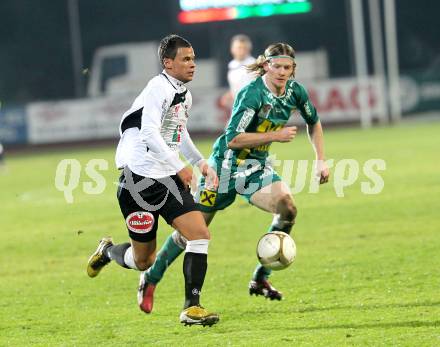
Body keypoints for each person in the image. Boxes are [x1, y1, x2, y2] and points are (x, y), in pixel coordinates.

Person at [139, 42, 330, 312]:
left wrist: (321, 160)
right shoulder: (252, 94)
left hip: (255, 168)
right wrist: (275, 135)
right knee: (190, 235)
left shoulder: (295, 92)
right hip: (223, 170)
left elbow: (314, 122)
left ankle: (261, 278)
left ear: (293, 69)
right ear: (266, 65)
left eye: (288, 67)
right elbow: (233, 139)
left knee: (288, 208)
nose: (282, 72)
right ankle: (150, 277)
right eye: (277, 66)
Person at [86, 34, 220, 326]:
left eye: (193, 58)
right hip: (139, 181)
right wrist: (180, 167)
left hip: (167, 178)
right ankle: (108, 251)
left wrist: (200, 162)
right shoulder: (157, 88)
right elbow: (148, 132)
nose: (192, 64)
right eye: (186, 59)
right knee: (143, 261)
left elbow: (177, 132)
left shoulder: (183, 92)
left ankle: (192, 308)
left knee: (198, 233)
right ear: (167, 63)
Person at [220, 34, 256, 112]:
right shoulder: (232, 66)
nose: (242, 50)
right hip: (239, 109)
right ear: (232, 49)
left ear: (249, 49)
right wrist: (229, 94)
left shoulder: (255, 66)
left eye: (244, 48)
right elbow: (239, 87)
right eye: (239, 48)